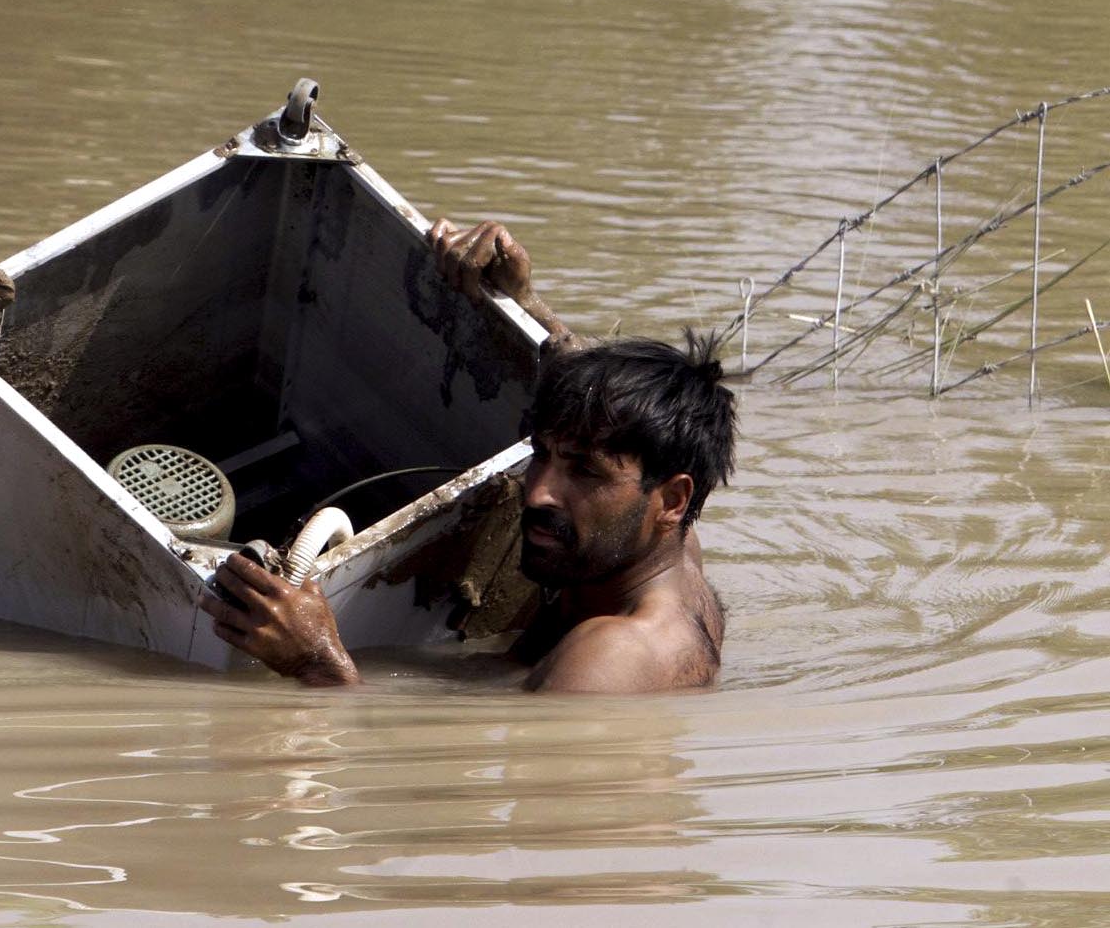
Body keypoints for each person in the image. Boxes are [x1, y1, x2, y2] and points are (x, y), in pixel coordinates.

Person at [207, 218, 736, 692]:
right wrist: (521, 301)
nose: (538, 491)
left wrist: (318, 664)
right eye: (541, 456)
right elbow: (593, 399)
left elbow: (451, 783)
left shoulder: (610, 658)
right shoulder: (663, 536)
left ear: (671, 499)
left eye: (584, 472)